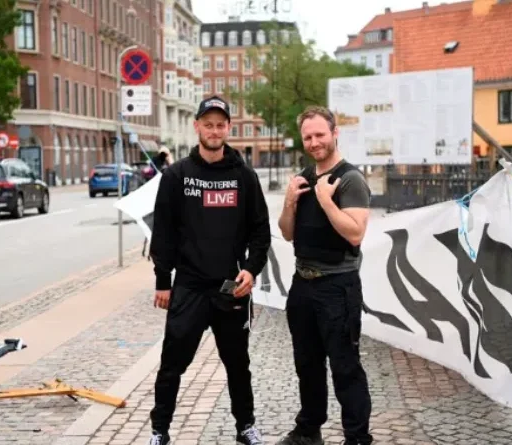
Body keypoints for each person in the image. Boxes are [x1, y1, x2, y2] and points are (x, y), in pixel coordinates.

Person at [147, 95, 271, 445]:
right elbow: (165, 233)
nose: (214, 131)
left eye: (220, 125)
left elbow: (260, 232)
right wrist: (162, 281)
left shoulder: (244, 177)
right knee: (172, 363)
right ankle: (160, 431)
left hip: (230, 287)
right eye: (208, 124)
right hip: (188, 285)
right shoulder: (176, 176)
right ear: (197, 126)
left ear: (228, 128)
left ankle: (246, 426)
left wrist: (251, 269)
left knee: (237, 364)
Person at [276, 105, 373, 445]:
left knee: (345, 366)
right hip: (302, 284)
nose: (314, 142)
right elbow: (287, 233)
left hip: (337, 287)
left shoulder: (350, 179)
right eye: (308, 137)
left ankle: (357, 438)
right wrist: (289, 202)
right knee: (307, 364)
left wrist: (327, 202)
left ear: (334, 133)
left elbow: (356, 234)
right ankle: (309, 429)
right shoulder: (303, 178)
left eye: (320, 134)